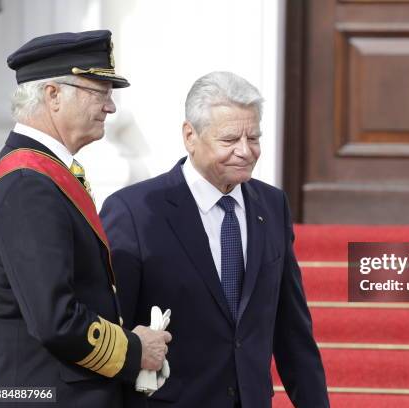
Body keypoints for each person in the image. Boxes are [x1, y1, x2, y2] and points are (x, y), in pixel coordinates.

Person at [100, 71, 329, 408]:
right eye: (230, 139)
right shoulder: (134, 211)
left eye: (253, 138)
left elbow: (292, 330)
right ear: (190, 136)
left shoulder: (272, 204)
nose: (245, 151)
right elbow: (113, 330)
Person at [0, 30, 171, 407]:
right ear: (53, 95)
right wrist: (135, 351)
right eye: (99, 92)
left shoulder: (43, 174)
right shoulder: (28, 184)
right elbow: (55, 319)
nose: (111, 107)